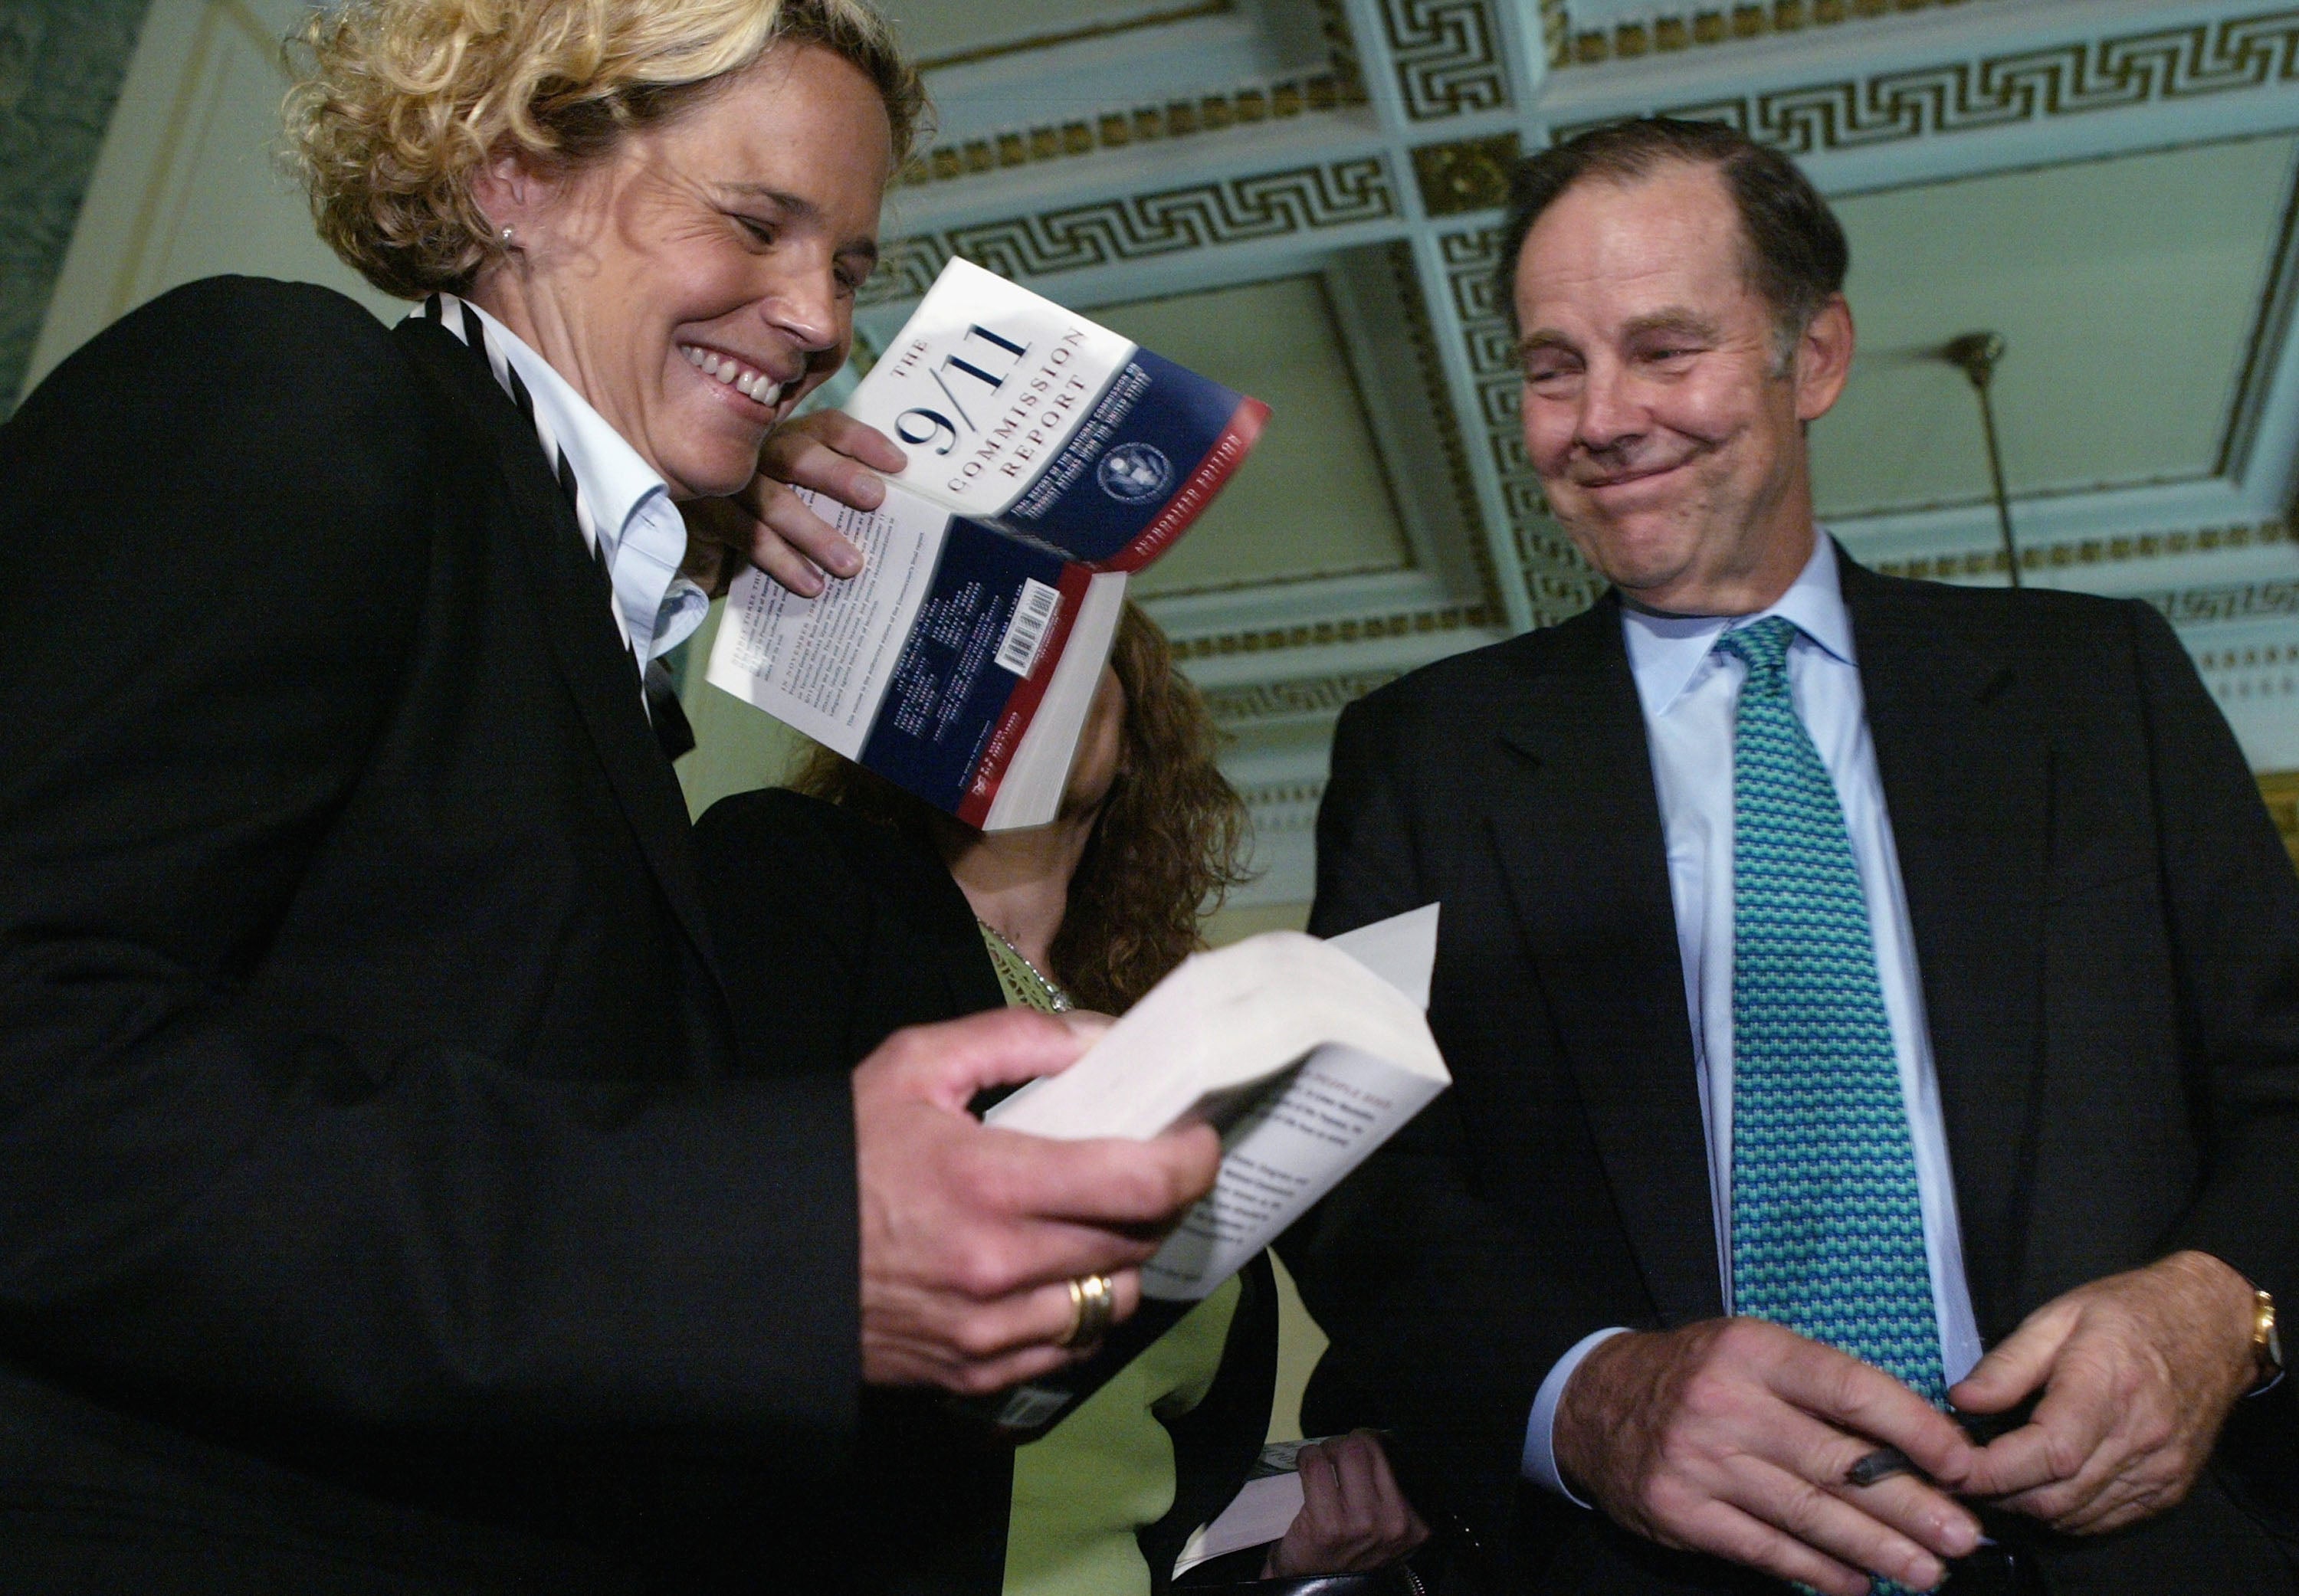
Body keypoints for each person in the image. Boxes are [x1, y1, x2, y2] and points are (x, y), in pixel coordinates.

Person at [0, 1, 1223, 1587]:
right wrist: (786, 1236)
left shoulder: (613, 656)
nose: (817, 318)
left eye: (850, 264)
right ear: (511, 173)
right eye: (756, 223)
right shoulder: (292, 388)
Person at [1281, 116, 2299, 1596]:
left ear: (1813, 357)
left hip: (2144, 1553)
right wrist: (1589, 1394)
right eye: (1554, 367)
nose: (1601, 418)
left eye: (1665, 349)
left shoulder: (2098, 686)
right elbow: (1356, 1175)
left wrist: (2223, 1306)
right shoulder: (1422, 755)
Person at [694, 604, 1435, 1594]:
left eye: (1068, 641)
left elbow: (1159, 1483)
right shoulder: (797, 870)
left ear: (1135, 729)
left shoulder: (1181, 1042)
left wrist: (1274, 1563)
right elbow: (731, 1237)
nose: (1028, 668)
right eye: (994, 647)